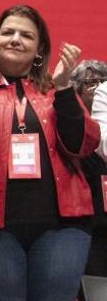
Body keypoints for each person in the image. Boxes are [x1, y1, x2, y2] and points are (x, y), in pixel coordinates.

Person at [0, 5, 99, 301]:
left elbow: (83, 145)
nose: (15, 39)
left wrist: (64, 90)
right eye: (8, 32)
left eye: (26, 35)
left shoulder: (56, 89)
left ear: (39, 50)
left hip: (61, 228)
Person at [76, 60, 107, 276]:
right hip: (92, 223)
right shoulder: (75, 129)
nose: (97, 87)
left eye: (102, 80)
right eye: (90, 82)